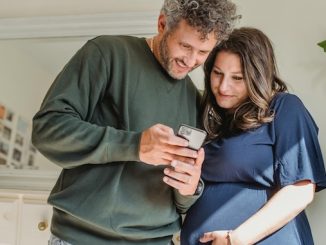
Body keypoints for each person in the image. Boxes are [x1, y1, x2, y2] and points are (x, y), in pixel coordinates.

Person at [31, 1, 239, 245]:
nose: (191, 60)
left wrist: (189, 187)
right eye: (185, 46)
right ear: (162, 24)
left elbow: (180, 201)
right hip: (79, 238)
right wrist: (135, 145)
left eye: (203, 53)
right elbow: (47, 129)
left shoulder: (196, 101)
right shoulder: (106, 53)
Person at [181, 27, 326, 245]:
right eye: (217, 73)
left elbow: (301, 190)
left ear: (257, 77)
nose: (223, 86)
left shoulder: (284, 108)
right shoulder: (205, 116)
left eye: (237, 78)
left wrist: (236, 239)